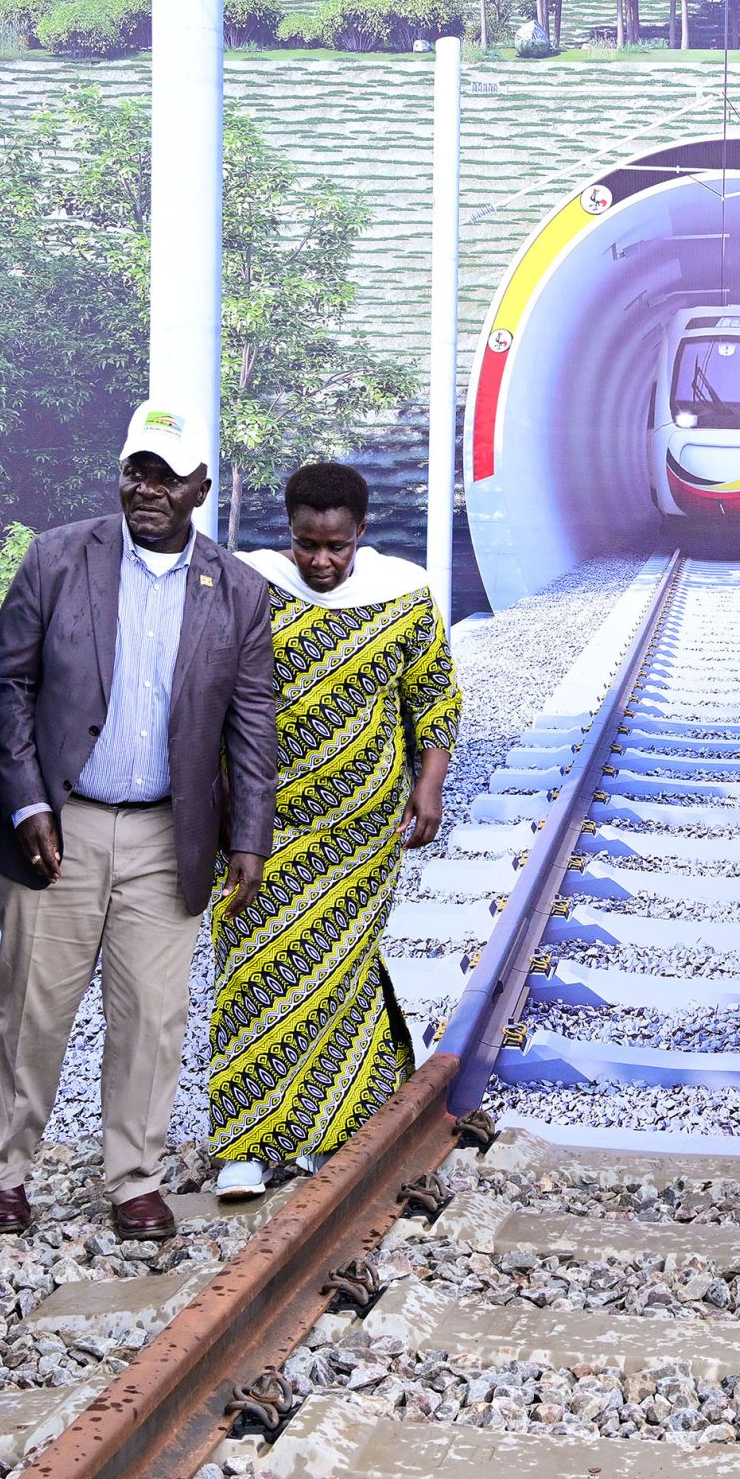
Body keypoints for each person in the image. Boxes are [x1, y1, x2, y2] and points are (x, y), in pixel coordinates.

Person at [0, 403, 277, 1242]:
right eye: (136, 469)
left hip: (165, 833)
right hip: (58, 824)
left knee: (152, 1014)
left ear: (200, 487)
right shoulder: (57, 558)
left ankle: (134, 1176)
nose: (147, 487)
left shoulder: (240, 591)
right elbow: (13, 690)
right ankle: (2, 1172)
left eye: (167, 475)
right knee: (34, 1006)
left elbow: (252, 721)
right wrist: (28, 799)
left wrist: (249, 836)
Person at [207, 462, 460, 1198]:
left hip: (361, 827)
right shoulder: (252, 585)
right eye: (306, 543)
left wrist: (430, 784)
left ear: (361, 536)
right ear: (287, 533)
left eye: (336, 546)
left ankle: (331, 1132)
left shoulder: (403, 596)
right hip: (263, 821)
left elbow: (435, 695)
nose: (320, 560)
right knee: (250, 971)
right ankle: (245, 1143)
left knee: (340, 974)